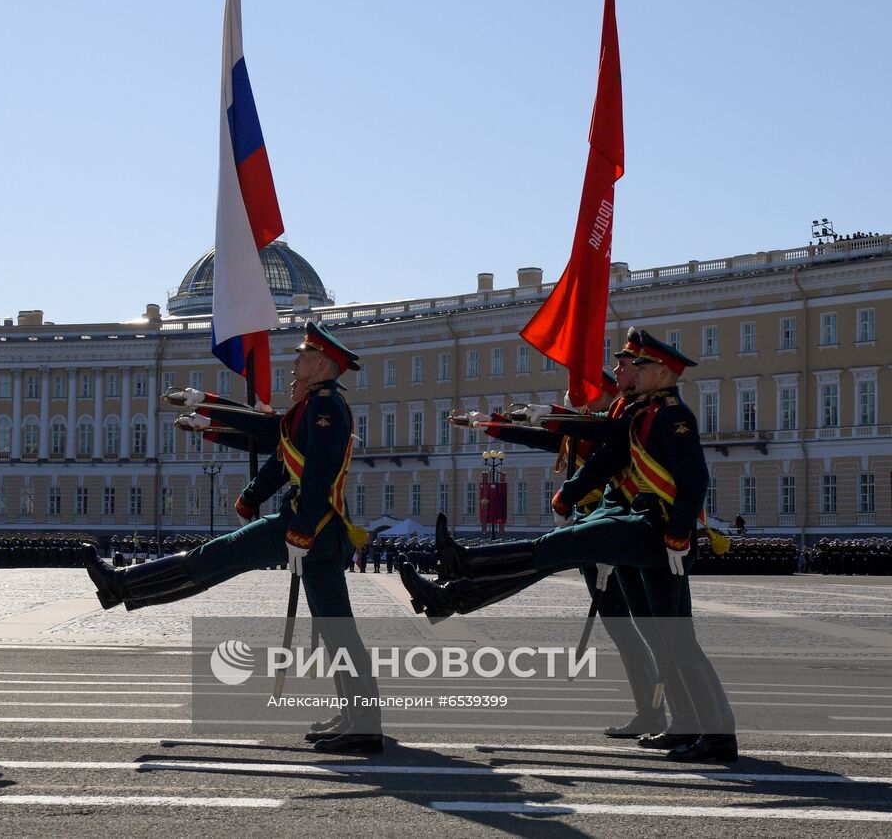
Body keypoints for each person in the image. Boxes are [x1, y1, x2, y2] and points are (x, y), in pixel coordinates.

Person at [400, 328, 738, 763]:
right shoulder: (638, 412)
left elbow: (693, 480)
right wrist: (538, 426)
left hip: (654, 530)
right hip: (637, 525)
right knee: (663, 636)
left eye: (627, 364)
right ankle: (688, 724)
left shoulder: (671, 415)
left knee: (657, 622)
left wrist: (677, 531)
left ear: (657, 370)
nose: (619, 370)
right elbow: (603, 444)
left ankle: (718, 735)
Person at [84, 322, 383, 753]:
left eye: (302, 357)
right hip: (317, 528)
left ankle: (124, 584)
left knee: (218, 555)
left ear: (322, 365)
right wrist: (208, 409)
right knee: (336, 628)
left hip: (308, 525)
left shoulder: (326, 409)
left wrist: (299, 528)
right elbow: (271, 438)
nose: (294, 364)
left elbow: (316, 471)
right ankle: (361, 719)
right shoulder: (316, 407)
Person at [444, 368, 667, 739]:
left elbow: (571, 442)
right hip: (595, 535)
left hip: (611, 535)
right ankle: (650, 710)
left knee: (642, 628)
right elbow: (548, 440)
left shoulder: (606, 433)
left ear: (602, 397)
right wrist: (491, 426)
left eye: (578, 392)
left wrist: (529, 422)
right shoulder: (588, 433)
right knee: (624, 628)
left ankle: (657, 710)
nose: (569, 396)